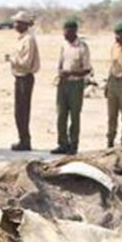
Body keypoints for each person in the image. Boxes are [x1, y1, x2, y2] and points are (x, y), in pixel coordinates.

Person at [52, 18, 91, 155]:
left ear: (74, 31)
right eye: (63, 30)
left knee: (74, 115)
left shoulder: (82, 47)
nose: (64, 33)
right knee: (61, 115)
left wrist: (71, 73)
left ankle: (73, 145)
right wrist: (61, 74)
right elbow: (60, 63)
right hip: (63, 84)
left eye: (67, 31)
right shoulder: (64, 45)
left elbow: (87, 70)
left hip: (76, 84)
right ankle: (62, 143)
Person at [7, 11, 40, 151]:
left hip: (25, 77)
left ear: (24, 24)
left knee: (22, 110)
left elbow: (25, 62)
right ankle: (23, 139)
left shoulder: (28, 40)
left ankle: (25, 141)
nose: (14, 25)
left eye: (17, 22)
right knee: (19, 111)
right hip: (19, 77)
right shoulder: (22, 38)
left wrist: (11, 59)